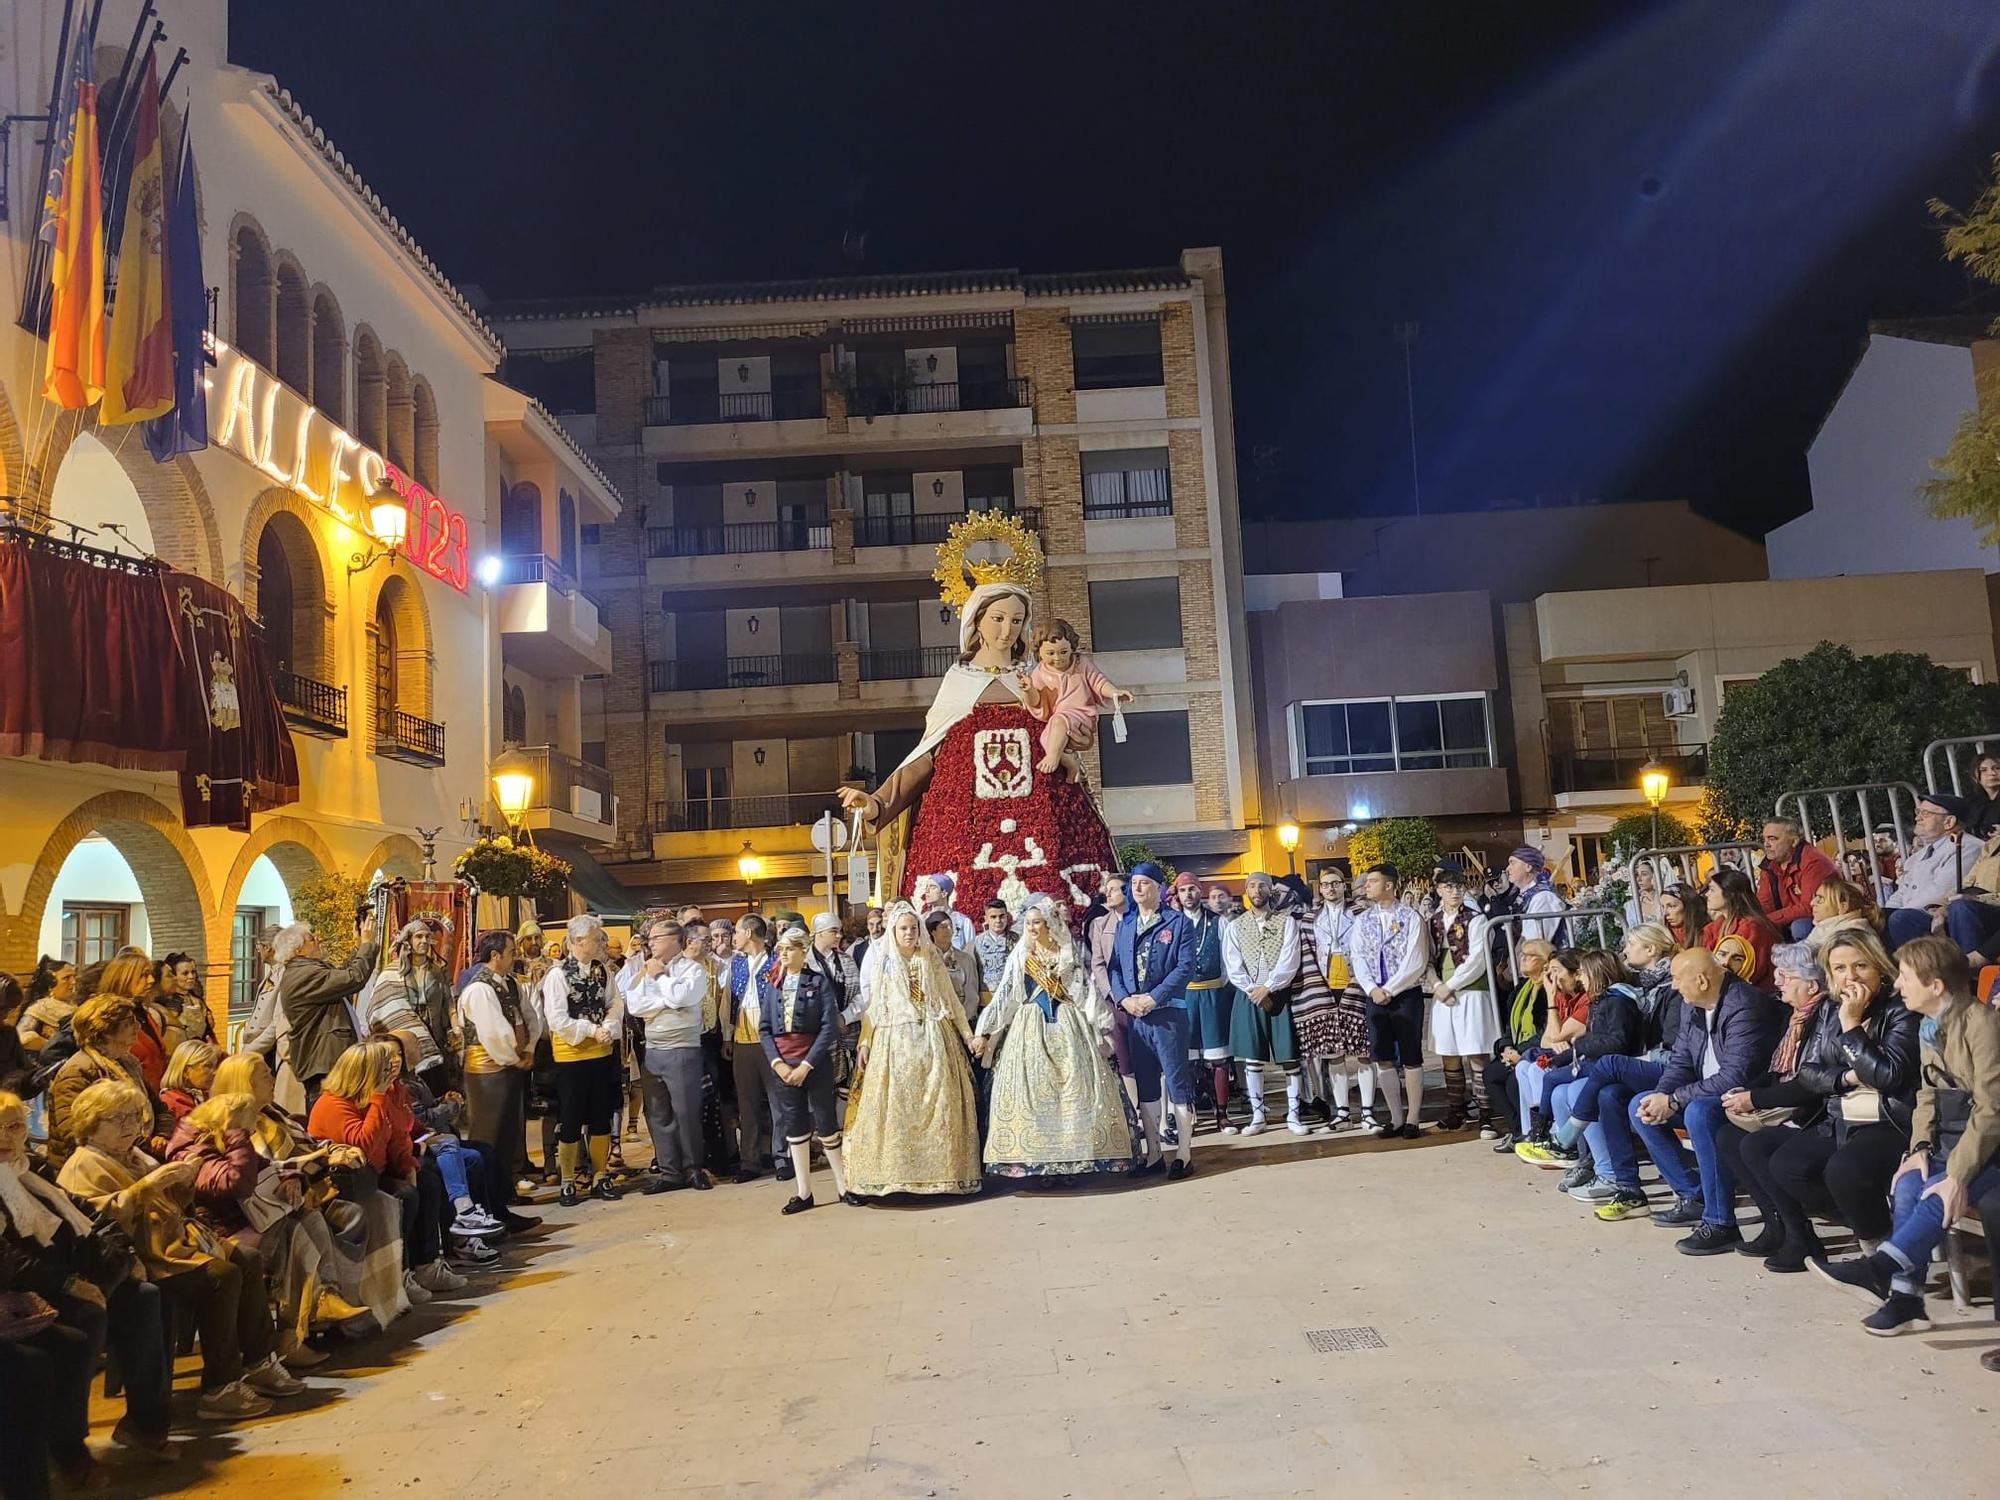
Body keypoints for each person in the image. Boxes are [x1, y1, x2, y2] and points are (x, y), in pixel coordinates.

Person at [839, 580, 1118, 923]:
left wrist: (1068, 749)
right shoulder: (959, 681)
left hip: (1045, 815)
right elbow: (928, 755)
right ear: (977, 621)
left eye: (1016, 621)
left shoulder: (1036, 675)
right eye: (998, 618)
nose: (1007, 630)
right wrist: (877, 803)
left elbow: (1067, 721)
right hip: (962, 827)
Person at [60, 1076, 301, 1418]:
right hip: (143, 1255)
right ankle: (220, 1386)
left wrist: (184, 1183)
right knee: (222, 1276)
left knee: (246, 1258)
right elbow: (94, 1221)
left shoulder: (134, 1155)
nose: (130, 1126)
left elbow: (171, 1204)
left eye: (134, 1116)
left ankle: (260, 1360)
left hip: (175, 1241)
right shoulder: (82, 1164)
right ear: (91, 1123)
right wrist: (146, 1186)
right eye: (118, 1119)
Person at [1809, 936, 2000, 1338]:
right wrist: (1919, 1149)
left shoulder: (1982, 1024)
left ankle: (1881, 1267)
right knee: (1911, 1181)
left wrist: (1957, 1175)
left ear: (1935, 985)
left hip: (1989, 1145)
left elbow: (1991, 1109)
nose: (1898, 985)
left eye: (1906, 978)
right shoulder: (1931, 1024)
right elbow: (1927, 1094)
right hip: (1950, 1136)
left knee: (1938, 1191)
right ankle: (1906, 1298)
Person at [0, 1087, 179, 1483]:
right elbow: (9, 1260)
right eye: (4, 1128)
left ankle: (146, 1423)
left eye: (16, 1126)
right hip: (33, 1289)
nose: (12, 1137)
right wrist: (70, 1283)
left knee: (146, 1296)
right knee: (85, 1320)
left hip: (76, 1276)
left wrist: (121, 1260)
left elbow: (91, 1218)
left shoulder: (34, 1170)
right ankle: (68, 1447)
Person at [1723, 931, 1917, 1272]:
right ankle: (1866, 1232)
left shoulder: (1900, 1009)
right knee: (1782, 1162)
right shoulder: (1830, 1009)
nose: (1850, 977)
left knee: (1843, 1170)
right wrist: (1847, 1077)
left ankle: (1880, 1258)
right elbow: (1810, 1072)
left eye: (1860, 966)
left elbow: (1889, 1076)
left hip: (1889, 1118)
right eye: (1839, 968)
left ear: (1880, 968)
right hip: (1840, 1113)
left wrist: (1852, 1026)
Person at [211, 1051, 411, 1332]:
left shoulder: (273, 1113)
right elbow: (263, 1171)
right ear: (245, 1084)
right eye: (264, 1076)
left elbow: (311, 1144)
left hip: (308, 1189)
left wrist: (333, 1150)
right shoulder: (238, 1124)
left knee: (374, 1207)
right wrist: (307, 1167)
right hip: (267, 1211)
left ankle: (358, 1305)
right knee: (330, 1218)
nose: (272, 1078)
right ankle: (313, 1316)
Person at [1599, 948, 1783, 1241]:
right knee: (1641, 1104)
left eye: (1676, 978)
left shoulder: (1745, 1005)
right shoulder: (1691, 1005)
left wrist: (1673, 1101)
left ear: (1701, 981)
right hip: (1706, 1090)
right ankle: (1693, 1195)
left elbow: (1736, 1077)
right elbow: (1681, 1061)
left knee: (1699, 1112)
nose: (1672, 985)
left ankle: (1721, 1221)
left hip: (1746, 1096)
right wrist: (1661, 1096)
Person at [975, 895, 1142, 1178]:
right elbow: (1005, 996)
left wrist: (1103, 1025)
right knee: (1033, 1093)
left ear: (1049, 924)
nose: (1031, 928)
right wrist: (984, 1030)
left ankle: (1074, 1159)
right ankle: (1036, 1162)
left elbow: (1085, 992)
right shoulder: (1021, 956)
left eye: (1037, 922)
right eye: (1027, 923)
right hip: (1030, 1027)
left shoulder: (1066, 953)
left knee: (1073, 1090)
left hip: (1067, 1024)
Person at [308, 1040, 466, 1298]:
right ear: (366, 1073)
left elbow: (398, 1135)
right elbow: (363, 1145)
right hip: (349, 1182)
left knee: (428, 1181)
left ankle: (425, 1265)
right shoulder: (334, 1104)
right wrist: (379, 1097)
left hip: (377, 1172)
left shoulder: (383, 1095)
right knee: (405, 1196)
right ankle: (397, 1276)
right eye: (384, 1068)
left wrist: (407, 1166)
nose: (392, 1071)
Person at [842, 903, 982, 1197]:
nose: (909, 933)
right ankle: (896, 1177)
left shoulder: (929, 958)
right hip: (894, 1040)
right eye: (903, 929)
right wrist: (865, 1041)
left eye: (913, 928)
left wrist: (968, 1036)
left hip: (933, 1037)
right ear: (893, 931)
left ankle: (942, 1177)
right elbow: (875, 1005)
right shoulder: (885, 959)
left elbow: (950, 1000)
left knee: (939, 1105)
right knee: (896, 1108)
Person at [1106, 863, 1201, 1177]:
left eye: (1143, 883)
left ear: (1159, 888)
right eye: (1133, 883)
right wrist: (1124, 999)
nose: (1136, 888)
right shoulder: (1126, 924)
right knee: (1146, 1085)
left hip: (1167, 1015)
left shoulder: (1178, 922)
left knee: (1176, 1082)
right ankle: (1154, 1153)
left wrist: (1153, 997)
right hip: (1136, 1016)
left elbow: (1184, 967)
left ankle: (1184, 1154)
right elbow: (1115, 968)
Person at [761, 927, 857, 1212]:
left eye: (789, 949)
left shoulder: (819, 982)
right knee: (794, 1124)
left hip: (813, 1063)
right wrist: (777, 1063)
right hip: (783, 1066)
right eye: (781, 949)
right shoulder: (773, 983)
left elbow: (828, 1027)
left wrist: (806, 1064)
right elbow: (765, 1028)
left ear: (803, 951)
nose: (783, 954)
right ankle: (804, 1192)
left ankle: (843, 1186)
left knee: (827, 1122)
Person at [540, 914, 626, 1206]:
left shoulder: (603, 971)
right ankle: (568, 1180)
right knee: (571, 1118)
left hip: (601, 1054)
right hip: (572, 1057)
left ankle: (601, 1175)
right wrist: (592, 1030)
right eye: (596, 938)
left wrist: (610, 1027)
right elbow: (558, 1019)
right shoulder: (557, 975)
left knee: (601, 1116)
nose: (602, 942)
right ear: (577, 941)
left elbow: (615, 1001)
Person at [1346, 864, 1432, 1139]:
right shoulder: (1363, 920)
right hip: (1374, 995)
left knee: (1411, 1057)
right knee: (1382, 1057)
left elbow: (1416, 960)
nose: (1366, 886)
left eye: (1373, 881)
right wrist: (1371, 988)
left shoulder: (1411, 917)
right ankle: (1395, 1117)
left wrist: (1391, 989)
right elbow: (1357, 956)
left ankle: (1413, 1117)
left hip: (1405, 993)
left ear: (1390, 885)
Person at [457, 930, 541, 1210]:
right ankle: (485, 1203)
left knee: (509, 1135)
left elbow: (529, 1016)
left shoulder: (510, 984)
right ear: (495, 956)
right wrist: (513, 1057)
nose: (514, 957)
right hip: (488, 1071)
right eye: (510, 952)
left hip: (511, 1065)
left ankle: (504, 1196)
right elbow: (494, 1031)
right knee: (489, 1136)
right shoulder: (479, 988)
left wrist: (527, 1049)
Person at [628, 919, 713, 1195]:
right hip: (654, 1049)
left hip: (682, 1049)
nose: (650, 942)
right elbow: (635, 1005)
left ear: (676, 940)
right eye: (649, 938)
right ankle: (670, 1171)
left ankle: (693, 1168)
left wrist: (662, 980)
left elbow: (681, 998)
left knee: (686, 1112)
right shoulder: (645, 969)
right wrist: (666, 1001)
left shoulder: (693, 970)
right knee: (658, 1113)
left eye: (656, 937)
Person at [1222, 872, 1305, 1136]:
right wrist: (1252, 989)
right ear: (1246, 891)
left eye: (1262, 885)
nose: (1256, 890)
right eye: (1251, 886)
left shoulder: (1287, 922)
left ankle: (1294, 1114)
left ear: (1271, 891)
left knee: (1289, 1055)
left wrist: (1269, 986)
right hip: (1249, 995)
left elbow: (1290, 958)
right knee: (1252, 1056)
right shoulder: (1236, 926)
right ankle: (1258, 1115)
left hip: (1279, 993)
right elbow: (1232, 962)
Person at [275, 914, 382, 1108]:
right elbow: (354, 977)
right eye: (311, 939)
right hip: (323, 1065)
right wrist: (367, 945)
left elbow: (341, 980)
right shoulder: (303, 975)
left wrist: (358, 947)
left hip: (327, 1061)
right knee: (333, 1121)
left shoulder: (307, 971)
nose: (319, 939)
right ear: (298, 950)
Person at [1427, 866, 1499, 1133]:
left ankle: (1486, 1113)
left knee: (1477, 1052)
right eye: (1448, 887)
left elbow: (1479, 959)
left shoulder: (1476, 918)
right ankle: (1456, 1110)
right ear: (1438, 891)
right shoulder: (1432, 920)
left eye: (1458, 887)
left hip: (1470, 990)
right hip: (1442, 992)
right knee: (1450, 1053)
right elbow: (1427, 957)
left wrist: (1451, 985)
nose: (1454, 892)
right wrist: (1435, 983)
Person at [45, 996, 155, 1170]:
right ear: (105, 1029)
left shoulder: (128, 1063)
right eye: (129, 1022)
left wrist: (161, 1135)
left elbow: (157, 1106)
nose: (138, 1027)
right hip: (88, 1168)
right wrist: (127, 1151)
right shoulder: (77, 1070)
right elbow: (74, 1132)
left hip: (128, 1154)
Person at [1302, 867, 1374, 1130]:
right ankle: (1342, 1112)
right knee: (1334, 1053)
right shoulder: (1310, 919)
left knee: (1363, 1051)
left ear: (1344, 886)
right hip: (1325, 982)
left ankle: (1367, 1111)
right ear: (1319, 888)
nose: (1331, 888)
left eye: (1335, 883)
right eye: (1325, 884)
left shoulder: (1361, 914)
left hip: (1356, 982)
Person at [1024, 615, 1134, 778]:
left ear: (1072, 648)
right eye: (1050, 653)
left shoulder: (1081, 663)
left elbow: (1098, 681)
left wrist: (1114, 692)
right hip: (1059, 719)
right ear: (1039, 652)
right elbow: (1037, 702)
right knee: (1047, 739)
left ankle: (1053, 758)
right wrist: (1028, 690)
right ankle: (1071, 765)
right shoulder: (1039, 673)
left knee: (1058, 725)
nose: (1057, 658)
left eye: (1063, 652)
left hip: (1082, 714)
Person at [1172, 873, 1236, 1133]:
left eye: (1192, 889)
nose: (1188, 894)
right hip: (1184, 995)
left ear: (1201, 892)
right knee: (1187, 1059)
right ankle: (1190, 1113)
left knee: (1218, 1058)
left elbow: (1228, 960)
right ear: (1178, 895)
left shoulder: (1218, 922)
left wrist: (1222, 987)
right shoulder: (1172, 925)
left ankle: (1222, 1114)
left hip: (1212, 993)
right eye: (1183, 890)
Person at [724, 915, 782, 1185]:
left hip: (770, 1040)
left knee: (777, 1102)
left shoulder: (775, 962)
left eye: (736, 931)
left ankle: (782, 1156)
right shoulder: (736, 964)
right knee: (747, 1104)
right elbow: (728, 1001)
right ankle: (750, 1160)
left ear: (749, 933)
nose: (734, 937)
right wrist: (727, 1035)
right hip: (742, 1038)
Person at [1882, 792, 1978, 949]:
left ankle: (1922, 971)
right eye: (1918, 812)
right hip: (1909, 913)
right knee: (1875, 920)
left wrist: (1894, 914)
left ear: (1949, 821)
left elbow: (1940, 891)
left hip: (1940, 916)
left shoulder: (1967, 847)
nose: (1917, 818)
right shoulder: (1917, 856)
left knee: (1900, 918)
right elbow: (1902, 892)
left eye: (1925, 813)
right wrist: (1884, 913)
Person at [1484, 938, 1553, 1148]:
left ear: (1544, 961)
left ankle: (1529, 1131)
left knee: (1514, 1080)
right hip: (1516, 1050)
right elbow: (1508, 1028)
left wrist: (1520, 1052)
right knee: (1491, 1074)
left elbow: (1545, 1030)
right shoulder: (1521, 989)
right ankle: (1517, 1131)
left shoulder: (1547, 990)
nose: (1523, 959)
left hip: (1537, 1051)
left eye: (1530, 955)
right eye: (1522, 955)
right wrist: (1506, 1047)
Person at [1088, 873, 1135, 1104]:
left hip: (1142, 999)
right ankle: (1137, 1114)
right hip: (1114, 1001)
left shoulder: (1141, 918)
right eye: (1107, 889)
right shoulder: (1101, 924)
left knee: (1151, 1060)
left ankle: (1164, 1117)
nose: (1108, 893)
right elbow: (1097, 962)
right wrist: (1111, 993)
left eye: (1113, 889)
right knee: (1125, 1061)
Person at [1755, 817, 1838, 941]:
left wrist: (1768, 920)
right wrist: (1754, 919)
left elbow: (1810, 907)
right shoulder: (1769, 864)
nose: (1766, 844)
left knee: (1800, 927)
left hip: (1823, 918)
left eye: (1773, 839)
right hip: (1790, 918)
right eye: (1764, 839)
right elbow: (1765, 903)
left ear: (1793, 841)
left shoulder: (1814, 862)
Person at [1703, 867, 1780, 989]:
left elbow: (1752, 970)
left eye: (1712, 890)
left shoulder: (1752, 927)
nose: (1707, 894)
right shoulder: (1714, 927)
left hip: (1755, 993)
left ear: (1730, 894)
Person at [928, 909, 982, 1026]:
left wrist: (962, 1021)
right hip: (935, 1021)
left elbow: (972, 995)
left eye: (950, 926)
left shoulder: (965, 959)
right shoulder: (926, 959)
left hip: (961, 1019)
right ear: (933, 931)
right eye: (943, 927)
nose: (949, 930)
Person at [1806, 876, 1883, 955]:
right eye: (1815, 897)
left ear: (1842, 907)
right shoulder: (1823, 927)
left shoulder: (1853, 935)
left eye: (1821, 899)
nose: (1812, 903)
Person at [18, 958, 78, 1053]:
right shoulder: (39, 1008)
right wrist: (51, 1045)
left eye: (74, 977)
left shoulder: (76, 1005)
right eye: (66, 978)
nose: (73, 982)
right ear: (50, 985)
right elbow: (22, 1039)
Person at [158, 1039, 222, 1126]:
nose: (214, 1072)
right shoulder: (169, 1103)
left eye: (215, 1066)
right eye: (208, 1066)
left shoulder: (207, 1098)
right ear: (185, 1070)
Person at [1659, 882, 1704, 951]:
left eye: (1672, 906)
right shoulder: (1662, 936)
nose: (1665, 913)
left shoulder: (1707, 931)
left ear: (1688, 906)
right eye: (1663, 907)